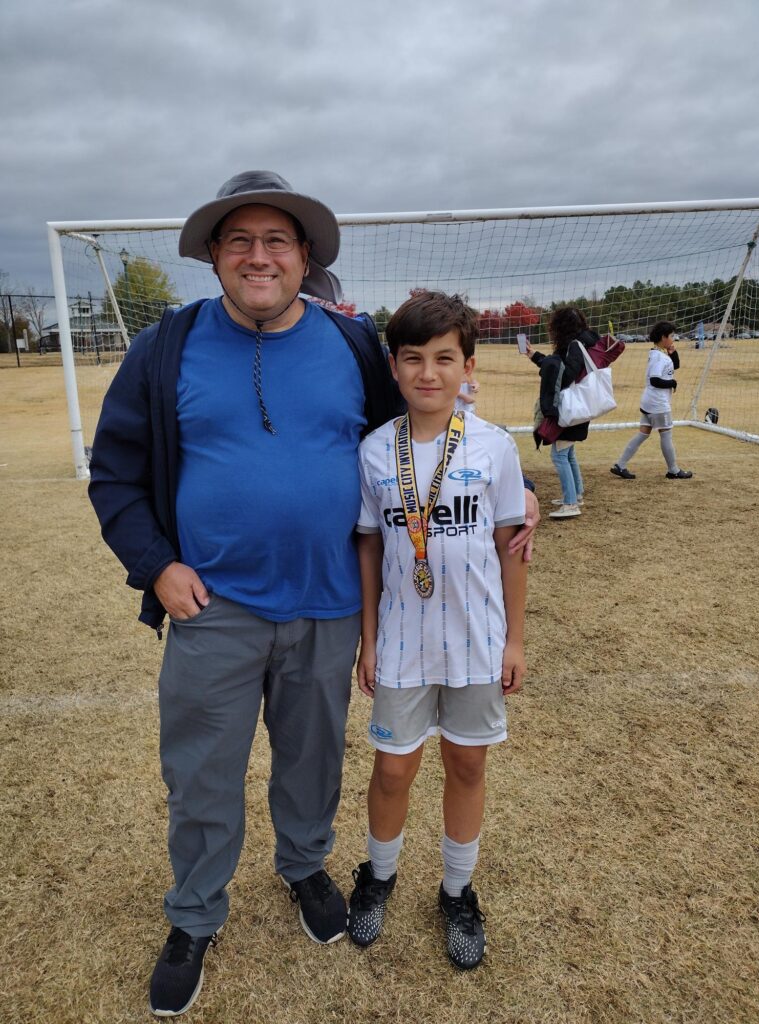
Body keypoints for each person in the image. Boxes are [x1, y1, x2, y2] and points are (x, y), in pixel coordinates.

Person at [87, 171, 541, 1017]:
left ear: (304, 259)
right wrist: (156, 564)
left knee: (312, 763)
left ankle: (303, 868)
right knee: (202, 773)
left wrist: (510, 493)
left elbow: (412, 435)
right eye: (240, 241)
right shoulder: (168, 346)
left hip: (330, 605)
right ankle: (193, 914)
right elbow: (114, 472)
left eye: (277, 242)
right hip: (212, 608)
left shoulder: (352, 343)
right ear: (214, 257)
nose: (259, 256)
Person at [347, 291, 528, 970]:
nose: (429, 373)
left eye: (444, 358)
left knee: (468, 762)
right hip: (399, 642)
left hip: (479, 642)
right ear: (393, 368)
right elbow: (368, 548)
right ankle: (379, 876)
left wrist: (514, 640)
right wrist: (368, 637)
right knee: (393, 771)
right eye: (414, 358)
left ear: (467, 365)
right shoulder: (373, 452)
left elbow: (511, 543)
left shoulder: (494, 446)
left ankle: (457, 892)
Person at [526, 307, 599, 519]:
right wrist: (534, 356)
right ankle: (576, 494)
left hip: (569, 408)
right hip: (578, 408)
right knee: (568, 453)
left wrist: (549, 362)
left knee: (559, 455)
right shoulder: (583, 343)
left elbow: (564, 375)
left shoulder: (575, 347)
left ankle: (570, 503)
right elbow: (559, 367)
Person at [611, 321, 693, 480]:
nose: (674, 338)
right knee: (666, 434)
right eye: (671, 336)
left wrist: (672, 352)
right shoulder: (659, 357)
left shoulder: (659, 354)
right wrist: (672, 383)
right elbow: (655, 380)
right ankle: (673, 470)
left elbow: (674, 366)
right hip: (658, 403)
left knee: (643, 433)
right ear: (663, 337)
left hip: (649, 402)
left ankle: (620, 465)